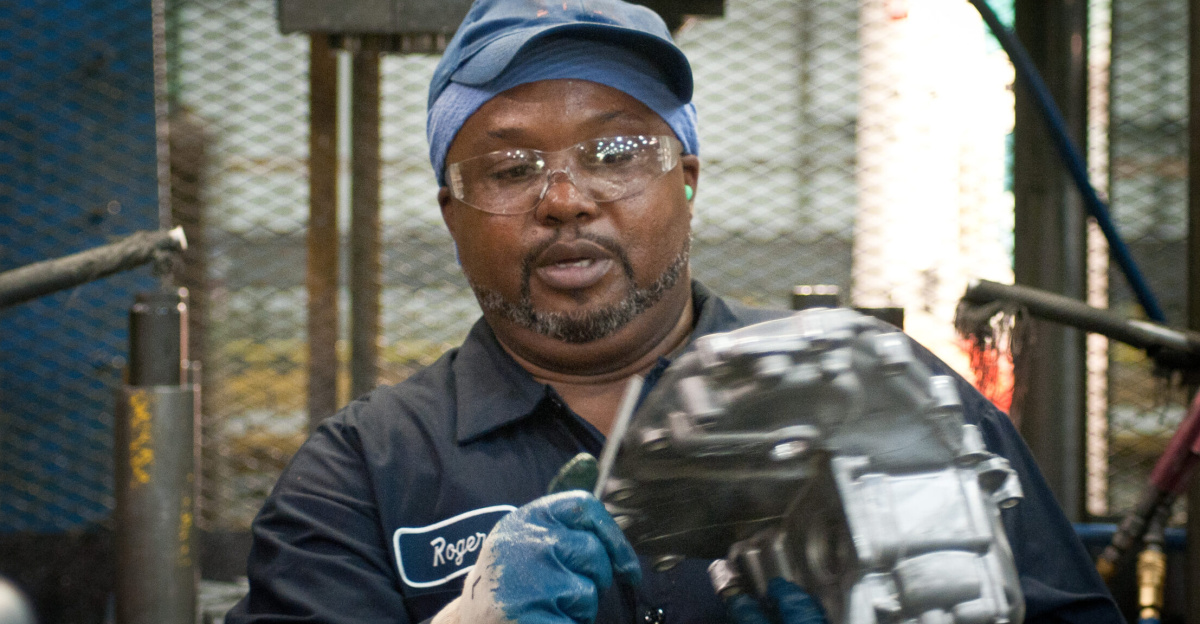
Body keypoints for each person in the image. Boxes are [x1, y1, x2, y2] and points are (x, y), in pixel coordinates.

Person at [226, 1, 1123, 622]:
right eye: (509, 169)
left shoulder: (873, 400)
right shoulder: (361, 476)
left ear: (686, 181)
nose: (566, 199)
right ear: (450, 214)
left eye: (616, 151)